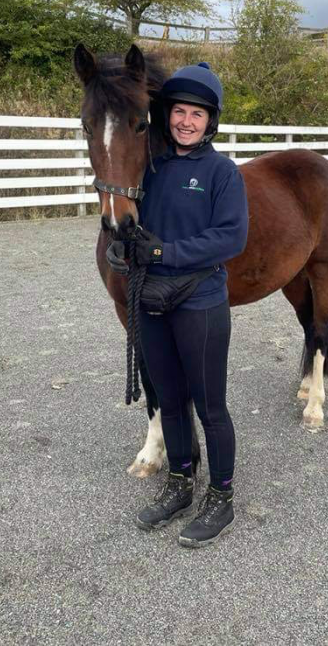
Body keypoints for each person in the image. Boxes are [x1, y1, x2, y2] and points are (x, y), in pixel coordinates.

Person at [107, 62, 248, 548]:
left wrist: (167, 252)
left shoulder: (221, 172)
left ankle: (222, 495)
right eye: (180, 112)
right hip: (151, 299)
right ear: (168, 115)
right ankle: (182, 483)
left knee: (210, 407)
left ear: (211, 122)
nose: (187, 121)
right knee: (167, 399)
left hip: (200, 299)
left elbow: (230, 237)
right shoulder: (152, 169)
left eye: (198, 114)